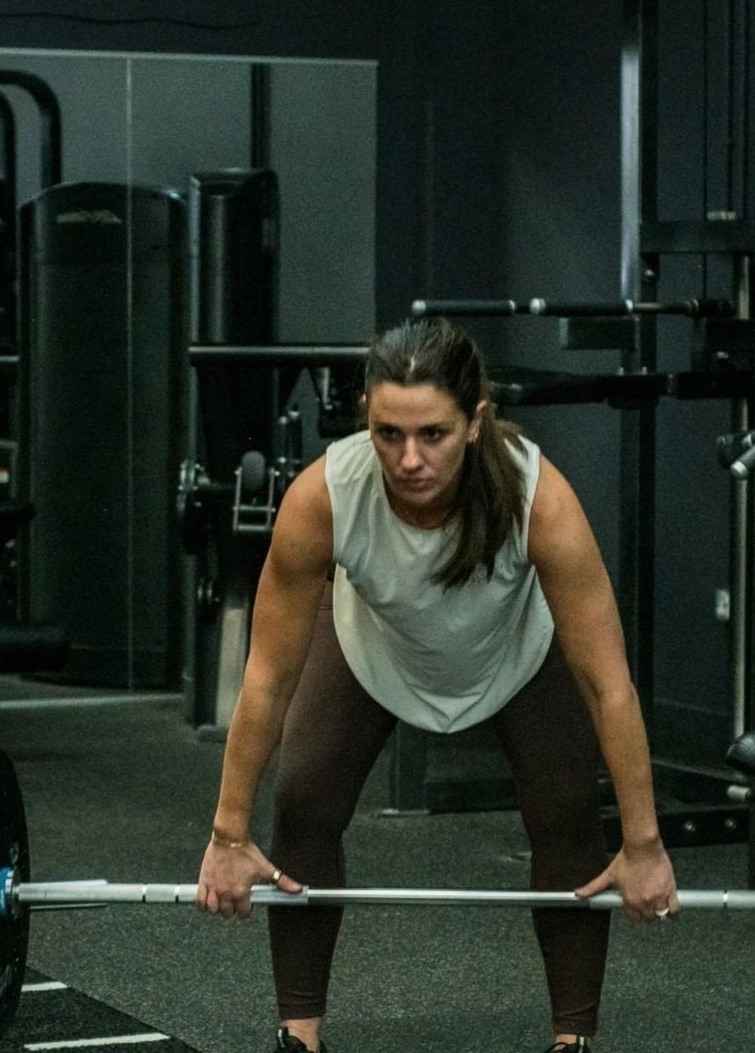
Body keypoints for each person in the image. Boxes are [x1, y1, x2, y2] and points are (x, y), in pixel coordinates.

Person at [195, 318, 679, 1053]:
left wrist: (644, 844)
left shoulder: (538, 497)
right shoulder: (322, 496)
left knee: (568, 814)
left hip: (517, 651)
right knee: (304, 796)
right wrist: (227, 833)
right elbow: (265, 680)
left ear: (476, 421)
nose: (409, 459)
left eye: (433, 435)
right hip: (372, 648)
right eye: (388, 434)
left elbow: (607, 684)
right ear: (366, 416)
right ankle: (299, 1035)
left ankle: (572, 1040)